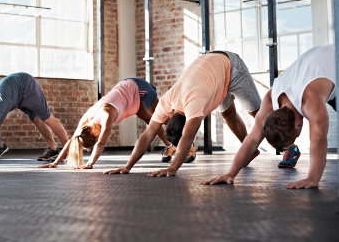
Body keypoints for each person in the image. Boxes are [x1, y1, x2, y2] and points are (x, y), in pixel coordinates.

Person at [105, 50, 261, 177]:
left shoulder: (194, 103)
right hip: (213, 74)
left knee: (259, 113)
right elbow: (147, 135)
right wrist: (127, 166)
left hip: (231, 66)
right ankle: (250, 150)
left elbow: (187, 137)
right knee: (228, 114)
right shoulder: (167, 102)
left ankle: (286, 147)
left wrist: (172, 168)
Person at [203, 44, 335, 189]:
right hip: (322, 65)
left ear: (297, 127)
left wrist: (312, 178)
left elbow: (318, 139)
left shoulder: (311, 101)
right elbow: (252, 140)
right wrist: (230, 174)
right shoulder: (271, 99)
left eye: (294, 138)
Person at [39, 78, 177, 170]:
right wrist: (55, 162)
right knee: (151, 120)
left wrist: (90, 163)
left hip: (137, 88)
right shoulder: (87, 119)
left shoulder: (106, 115)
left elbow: (100, 144)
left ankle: (185, 141)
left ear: (94, 133)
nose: (99, 138)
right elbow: (73, 140)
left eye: (97, 137)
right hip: (128, 96)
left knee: (163, 116)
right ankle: (170, 146)